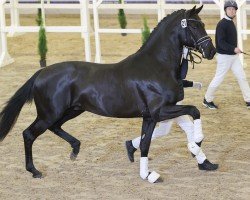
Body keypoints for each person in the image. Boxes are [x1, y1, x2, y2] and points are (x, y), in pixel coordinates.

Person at [126, 78, 218, 170]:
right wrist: (193, 84)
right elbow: (175, 80)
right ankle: (201, 161)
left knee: (164, 131)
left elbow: (176, 80)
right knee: (189, 128)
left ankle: (133, 144)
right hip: (170, 106)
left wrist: (193, 84)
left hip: (172, 104)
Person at [203, 0, 250, 109]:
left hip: (234, 57)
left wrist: (234, 50)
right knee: (218, 78)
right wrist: (233, 48)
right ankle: (207, 99)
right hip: (224, 57)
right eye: (230, 9)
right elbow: (221, 42)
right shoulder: (222, 24)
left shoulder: (230, 22)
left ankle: (248, 99)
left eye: (234, 9)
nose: (232, 11)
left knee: (242, 77)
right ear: (225, 10)